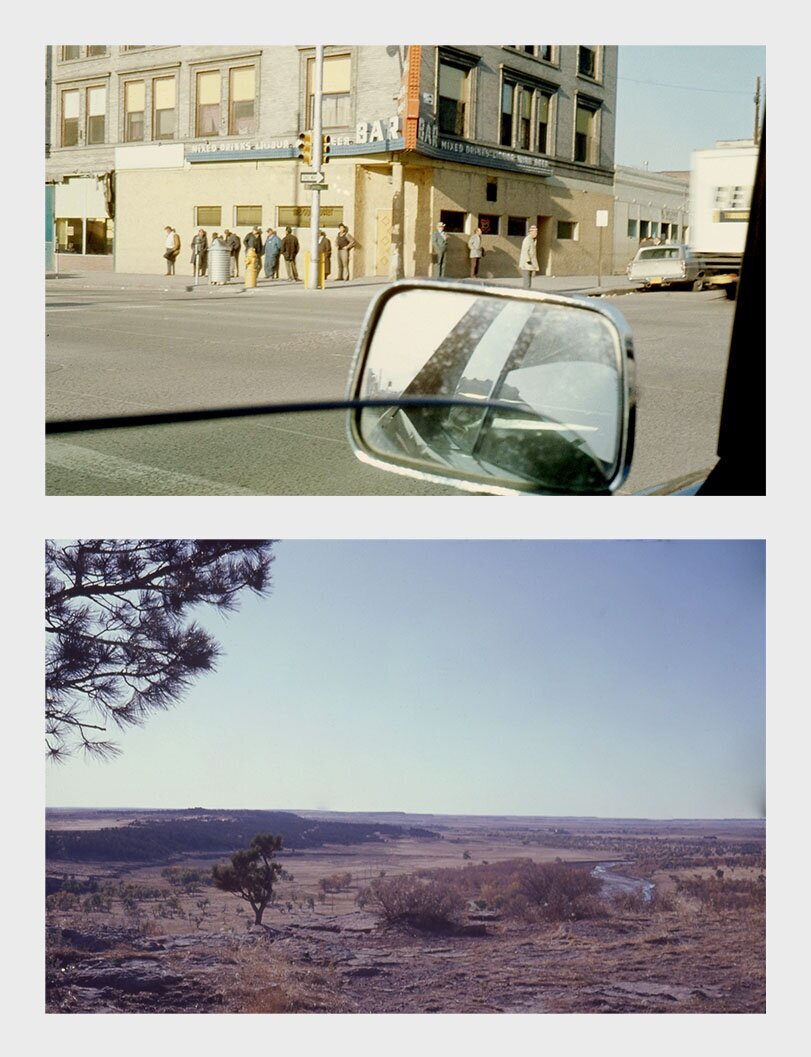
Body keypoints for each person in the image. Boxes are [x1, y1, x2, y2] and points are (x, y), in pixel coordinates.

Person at [519, 224, 539, 289]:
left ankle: (528, 290)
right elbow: (525, 251)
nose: (536, 233)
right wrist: (528, 260)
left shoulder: (533, 239)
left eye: (536, 232)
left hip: (530, 263)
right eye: (535, 232)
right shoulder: (527, 239)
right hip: (526, 263)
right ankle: (526, 291)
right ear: (531, 232)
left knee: (529, 278)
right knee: (527, 279)